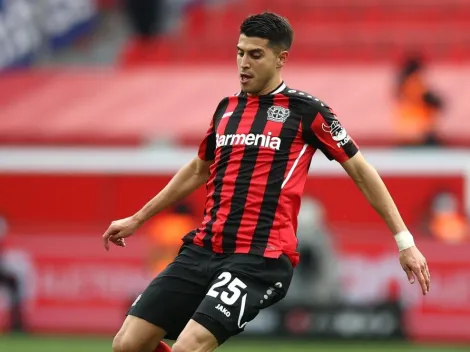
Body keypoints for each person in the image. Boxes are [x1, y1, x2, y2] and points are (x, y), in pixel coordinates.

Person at [103, 12, 431, 352]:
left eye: (255, 54)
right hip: (202, 248)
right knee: (127, 345)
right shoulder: (226, 108)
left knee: (189, 347)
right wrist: (137, 218)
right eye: (240, 52)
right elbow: (198, 169)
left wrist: (405, 242)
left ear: (281, 58)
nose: (244, 63)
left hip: (258, 258)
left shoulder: (307, 111)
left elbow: (363, 172)